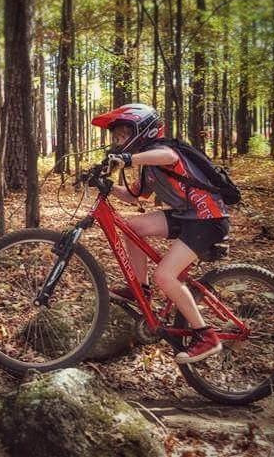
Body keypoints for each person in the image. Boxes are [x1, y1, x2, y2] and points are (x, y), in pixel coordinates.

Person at [91, 103, 230, 364]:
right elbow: (135, 197)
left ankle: (206, 335)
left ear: (142, 130)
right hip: (187, 216)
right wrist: (106, 186)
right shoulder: (148, 165)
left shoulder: (162, 150)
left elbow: (170, 157)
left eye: (123, 133)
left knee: (165, 276)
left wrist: (129, 159)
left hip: (208, 219)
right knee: (134, 227)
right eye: (116, 136)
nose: (118, 140)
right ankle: (140, 290)